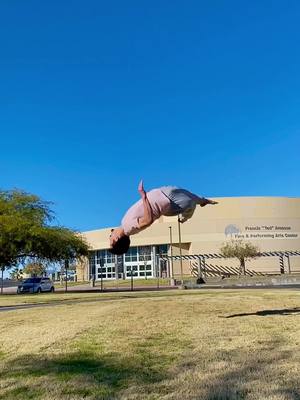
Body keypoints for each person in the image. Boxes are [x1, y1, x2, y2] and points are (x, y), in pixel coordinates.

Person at [109, 181, 218, 255]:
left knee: (190, 199)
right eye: (110, 239)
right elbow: (148, 220)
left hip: (164, 196)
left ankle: (203, 202)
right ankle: (193, 210)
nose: (110, 236)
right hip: (168, 200)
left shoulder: (125, 225)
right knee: (190, 203)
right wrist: (143, 196)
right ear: (117, 239)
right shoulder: (128, 228)